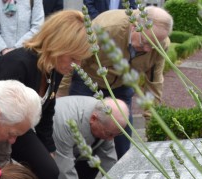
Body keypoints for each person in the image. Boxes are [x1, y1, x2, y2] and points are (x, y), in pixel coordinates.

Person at [0, 9, 91, 179]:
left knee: (49, 171)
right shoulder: (18, 64)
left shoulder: (53, 68)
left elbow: (48, 110)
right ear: (58, 45)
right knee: (25, 175)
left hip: (19, 130)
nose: (77, 66)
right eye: (74, 58)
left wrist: (49, 148)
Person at [69, 6, 173, 159]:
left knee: (122, 139)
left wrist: (152, 122)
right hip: (88, 81)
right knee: (82, 136)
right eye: (145, 42)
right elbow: (73, 60)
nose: (148, 49)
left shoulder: (161, 43)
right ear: (134, 26)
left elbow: (154, 81)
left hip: (121, 85)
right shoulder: (106, 29)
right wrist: (60, 99)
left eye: (153, 45)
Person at [53, 96, 129, 179]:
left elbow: (108, 159)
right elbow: (64, 166)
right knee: (47, 172)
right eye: (109, 134)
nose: (111, 139)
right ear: (93, 119)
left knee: (94, 160)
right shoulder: (66, 122)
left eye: (116, 135)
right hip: (40, 143)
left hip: (70, 147)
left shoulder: (106, 120)